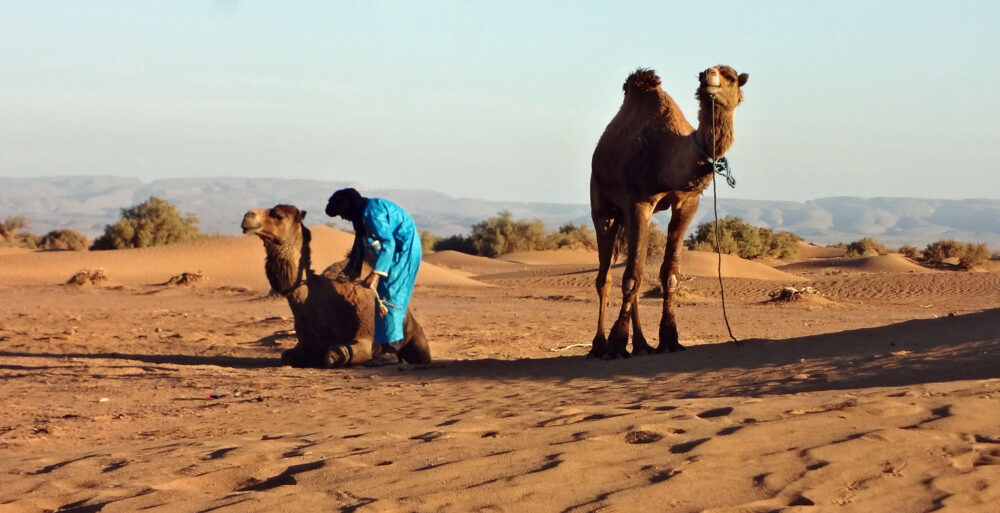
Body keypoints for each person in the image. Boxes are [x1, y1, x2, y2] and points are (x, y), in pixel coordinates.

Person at [325, 188, 421, 364]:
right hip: (396, 253)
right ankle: (385, 348)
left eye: (342, 214)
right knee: (385, 296)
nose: (343, 218)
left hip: (404, 252)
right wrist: (350, 270)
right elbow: (360, 243)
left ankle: (391, 352)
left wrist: (375, 273)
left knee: (390, 297)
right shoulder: (362, 215)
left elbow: (389, 242)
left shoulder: (372, 212)